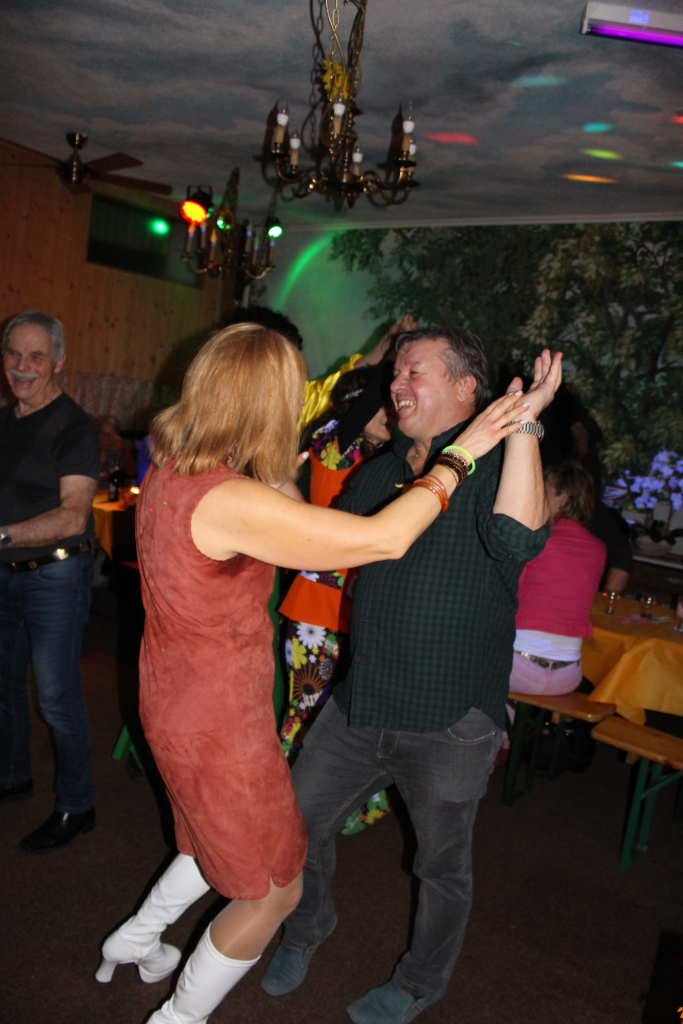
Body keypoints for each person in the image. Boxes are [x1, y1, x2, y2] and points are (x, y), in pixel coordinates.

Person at [95, 322, 535, 1024]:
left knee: (221, 840)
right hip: (223, 723)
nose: (301, 400)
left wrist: (282, 471)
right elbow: (380, 539)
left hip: (183, 705)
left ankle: (136, 938)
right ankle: (176, 1017)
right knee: (274, 886)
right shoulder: (231, 496)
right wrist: (461, 457)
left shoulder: (176, 471)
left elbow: (296, 527)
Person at [260, 327, 562, 1024]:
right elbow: (319, 540)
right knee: (296, 826)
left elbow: (518, 540)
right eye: (394, 373)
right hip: (360, 701)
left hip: (451, 718)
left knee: (440, 866)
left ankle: (420, 984)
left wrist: (523, 425)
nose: (395, 385)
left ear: (464, 386)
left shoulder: (496, 464)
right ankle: (306, 926)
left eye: (413, 372)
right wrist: (271, 473)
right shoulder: (379, 470)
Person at [0, 311, 99, 852]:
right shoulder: (5, 421)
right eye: (13, 354)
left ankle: (77, 806)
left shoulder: (74, 427)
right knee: (4, 685)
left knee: (57, 697)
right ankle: (13, 775)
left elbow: (73, 515)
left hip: (56, 576)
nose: (22, 366)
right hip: (6, 571)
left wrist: (2, 536)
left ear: (58, 362)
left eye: (35, 356)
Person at [279, 363, 395, 760]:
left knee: (338, 727)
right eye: (385, 404)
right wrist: (396, 358)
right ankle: (283, 793)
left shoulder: (383, 459)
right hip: (317, 609)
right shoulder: (333, 444)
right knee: (303, 721)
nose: (393, 414)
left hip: (356, 608)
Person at [510, 461, 607, 697]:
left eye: (543, 490)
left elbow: (508, 595)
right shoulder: (598, 549)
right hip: (568, 676)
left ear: (562, 499)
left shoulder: (538, 539)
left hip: (518, 668)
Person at [96, 414, 137, 488]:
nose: (104, 438)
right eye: (101, 433)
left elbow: (131, 474)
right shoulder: (89, 450)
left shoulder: (117, 453)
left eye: (108, 435)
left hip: (112, 492)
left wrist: (125, 449)